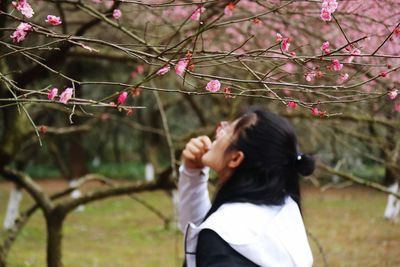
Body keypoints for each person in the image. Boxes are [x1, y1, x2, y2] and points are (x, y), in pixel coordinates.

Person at [178, 108, 315, 267]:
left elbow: (214, 235)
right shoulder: (281, 209)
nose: (219, 130)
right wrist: (193, 173)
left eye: (228, 130)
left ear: (235, 158)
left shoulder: (224, 237)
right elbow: (202, 227)